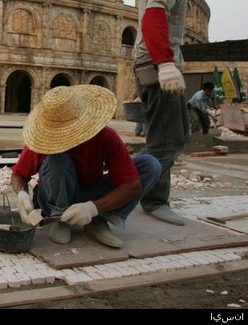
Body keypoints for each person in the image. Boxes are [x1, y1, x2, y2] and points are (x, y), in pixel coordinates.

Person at [133, 0, 231, 226]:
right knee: (166, 140)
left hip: (160, 65)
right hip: (155, 65)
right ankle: (139, 196)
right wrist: (163, 63)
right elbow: (152, 19)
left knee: (177, 135)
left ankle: (140, 190)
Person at [12, 85, 161, 248]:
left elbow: (132, 186)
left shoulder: (105, 137)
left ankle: (99, 221)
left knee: (150, 165)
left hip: (91, 193)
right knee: (57, 159)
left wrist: (93, 208)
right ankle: (59, 218)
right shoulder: (43, 140)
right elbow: (18, 174)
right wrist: (22, 194)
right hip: (54, 197)